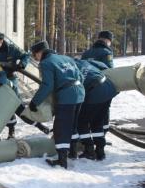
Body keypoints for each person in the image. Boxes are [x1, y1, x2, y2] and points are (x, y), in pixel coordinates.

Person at [29, 41, 85, 169]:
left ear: (40, 52)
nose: (35, 58)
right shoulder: (66, 58)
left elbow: (47, 85)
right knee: (73, 125)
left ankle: (62, 160)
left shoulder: (46, 63)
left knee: (61, 127)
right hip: (80, 93)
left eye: (35, 55)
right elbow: (81, 77)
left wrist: (35, 102)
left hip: (67, 96)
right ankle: (73, 152)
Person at [71, 59, 118, 160]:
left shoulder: (68, 68)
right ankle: (100, 151)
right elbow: (103, 65)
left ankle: (89, 150)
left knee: (81, 122)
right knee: (97, 122)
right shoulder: (84, 61)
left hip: (95, 92)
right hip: (109, 87)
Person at [0, 32, 29, 138]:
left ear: (1, 41)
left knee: (13, 103)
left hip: (10, 77)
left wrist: (22, 64)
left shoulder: (12, 49)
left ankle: (12, 130)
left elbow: (25, 55)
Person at [82, 30, 114, 135]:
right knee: (103, 112)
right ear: (108, 40)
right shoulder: (107, 53)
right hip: (101, 86)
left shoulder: (86, 53)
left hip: (86, 87)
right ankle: (102, 134)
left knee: (87, 112)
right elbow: (110, 71)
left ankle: (87, 135)